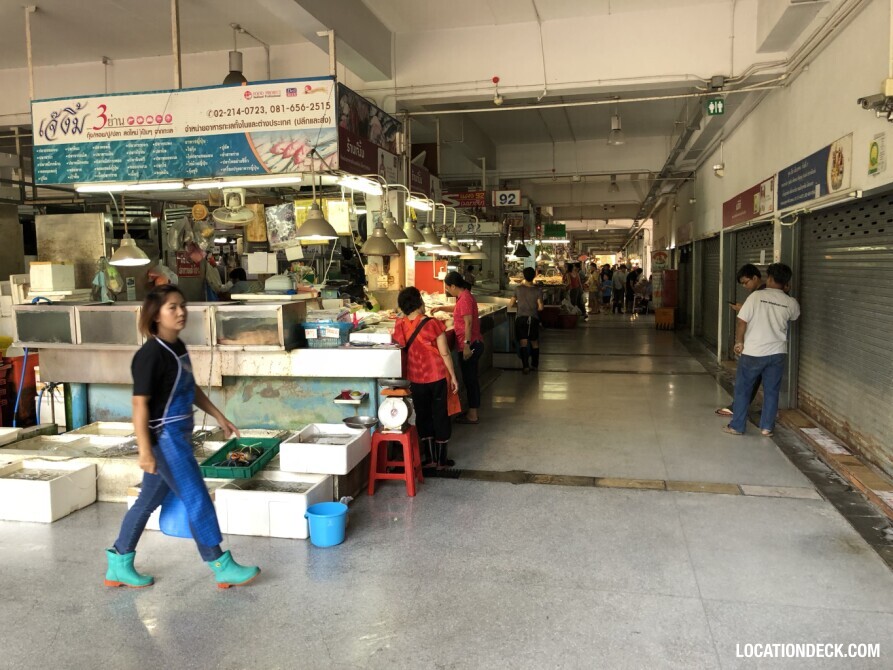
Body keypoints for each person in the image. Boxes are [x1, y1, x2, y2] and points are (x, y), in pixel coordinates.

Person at [105, 285, 259, 589]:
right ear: (156, 315)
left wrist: (218, 415)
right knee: (196, 497)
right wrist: (145, 451)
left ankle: (118, 563)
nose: (181, 312)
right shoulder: (150, 355)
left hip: (178, 436)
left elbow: (191, 389)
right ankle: (220, 565)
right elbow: (139, 405)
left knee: (146, 502)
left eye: (182, 305)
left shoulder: (178, 348)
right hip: (164, 440)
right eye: (172, 307)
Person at [723, 263, 800, 437]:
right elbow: (794, 317)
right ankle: (767, 427)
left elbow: (742, 321)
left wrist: (739, 342)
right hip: (778, 353)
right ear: (786, 282)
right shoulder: (791, 302)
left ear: (770, 278)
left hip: (754, 352)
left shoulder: (756, 297)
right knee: (771, 391)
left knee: (744, 390)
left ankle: (737, 426)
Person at [393, 287, 459, 470]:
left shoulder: (400, 325)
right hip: (436, 375)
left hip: (415, 377)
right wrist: (453, 376)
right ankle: (441, 460)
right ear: (419, 301)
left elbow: (399, 347)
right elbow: (444, 353)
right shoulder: (433, 324)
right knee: (440, 414)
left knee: (423, 415)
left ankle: (429, 458)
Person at [715, 264, 767, 417]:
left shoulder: (760, 294)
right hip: (767, 346)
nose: (744, 286)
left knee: (748, 379)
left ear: (755, 278)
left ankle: (736, 409)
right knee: (761, 381)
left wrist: (740, 342)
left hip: (757, 344)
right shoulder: (761, 293)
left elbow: (744, 321)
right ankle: (765, 415)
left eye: (746, 282)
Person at [431, 271, 483, 424]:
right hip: (470, 343)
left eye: (447, 288)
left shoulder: (465, 298)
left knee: (470, 380)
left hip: (470, 345)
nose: (447, 290)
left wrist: (466, 345)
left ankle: (473, 415)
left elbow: (468, 322)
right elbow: (458, 309)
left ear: (453, 286)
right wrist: (441, 308)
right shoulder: (464, 297)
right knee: (470, 379)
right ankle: (472, 411)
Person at [509, 267, 545, 373]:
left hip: (521, 319)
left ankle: (525, 366)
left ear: (524, 276)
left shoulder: (518, 289)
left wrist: (520, 305)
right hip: (533, 319)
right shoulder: (538, 290)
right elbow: (541, 308)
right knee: (534, 342)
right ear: (534, 276)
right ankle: (535, 365)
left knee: (523, 342)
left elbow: (511, 304)